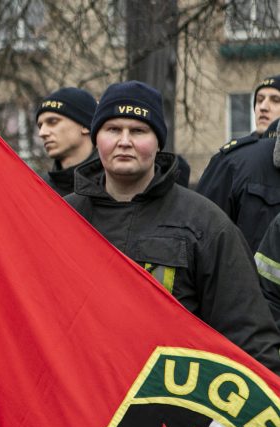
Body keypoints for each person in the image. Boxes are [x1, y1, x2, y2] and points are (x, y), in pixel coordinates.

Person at [63, 81, 280, 374]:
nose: (124, 141)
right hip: (78, 400)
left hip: (174, 408)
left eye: (138, 131)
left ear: (158, 142)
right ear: (96, 137)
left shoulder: (206, 224)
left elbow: (250, 339)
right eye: (113, 129)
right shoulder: (61, 217)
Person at [195, 119, 280, 252]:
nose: (263, 107)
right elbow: (200, 238)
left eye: (276, 100)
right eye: (260, 99)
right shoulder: (235, 164)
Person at [34, 87, 98, 196]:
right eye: (40, 126)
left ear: (85, 126)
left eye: (53, 122)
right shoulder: (38, 190)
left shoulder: (113, 184)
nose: (42, 133)